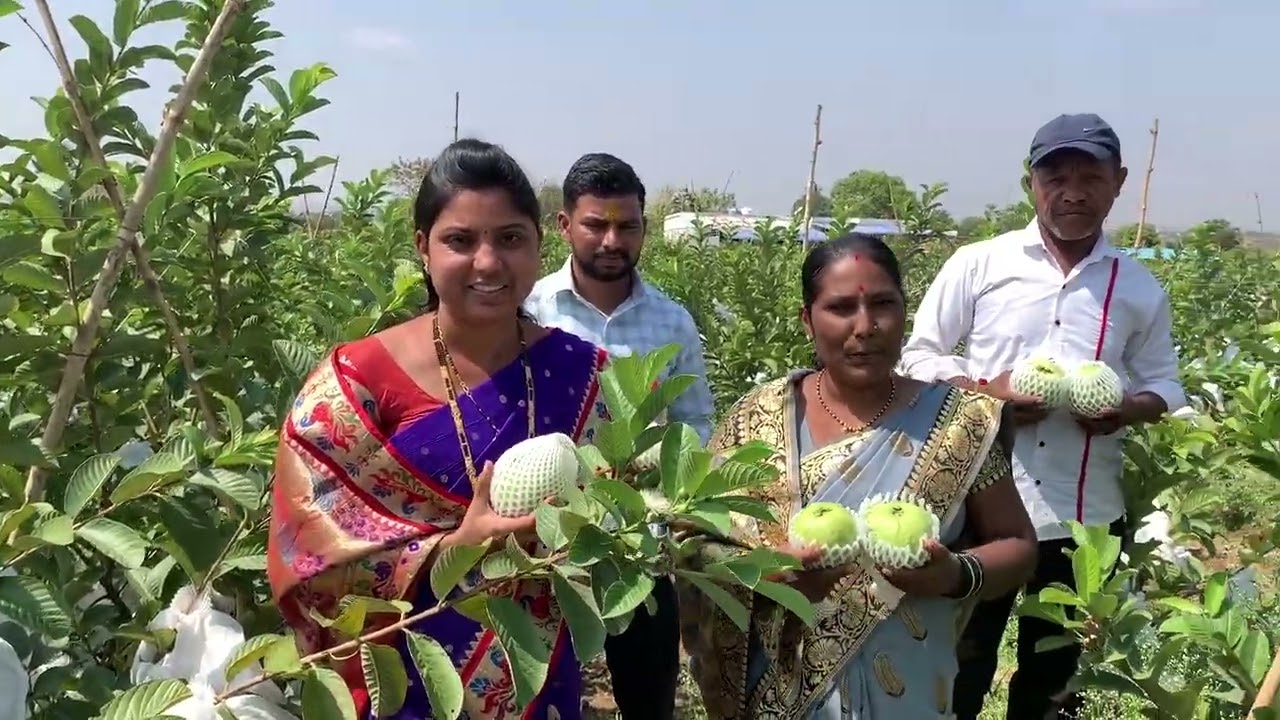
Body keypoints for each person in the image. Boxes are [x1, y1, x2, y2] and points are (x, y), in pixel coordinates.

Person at [266, 138, 610, 720]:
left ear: (538, 243)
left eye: (510, 239)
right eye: (460, 240)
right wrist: (453, 550)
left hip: (536, 669)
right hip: (404, 670)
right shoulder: (356, 382)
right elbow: (306, 552)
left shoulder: (582, 373)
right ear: (423, 247)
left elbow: (612, 504)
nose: (488, 262)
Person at [676, 233, 1039, 719]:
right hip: (774, 693)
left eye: (883, 304)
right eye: (841, 307)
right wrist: (764, 570)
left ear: (905, 311)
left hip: (909, 689)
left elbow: (1016, 544)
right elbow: (691, 542)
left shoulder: (960, 423)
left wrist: (954, 574)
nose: (865, 327)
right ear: (808, 319)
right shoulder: (754, 419)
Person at [898, 113, 1186, 720]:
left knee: (1056, 684)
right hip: (981, 504)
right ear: (1032, 182)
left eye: (1091, 176)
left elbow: (1165, 384)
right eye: (1056, 176)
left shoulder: (1137, 287)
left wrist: (1126, 409)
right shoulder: (979, 264)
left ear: (1119, 181)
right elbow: (919, 356)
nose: (1073, 191)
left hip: (1085, 518)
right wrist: (987, 393)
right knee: (960, 667)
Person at [523, 152, 713, 720]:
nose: (612, 239)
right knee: (538, 690)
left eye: (626, 226)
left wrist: (663, 484)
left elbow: (696, 422)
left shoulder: (672, 320)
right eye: (595, 225)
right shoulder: (529, 308)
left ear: (644, 229)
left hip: (642, 540)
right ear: (564, 226)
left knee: (648, 691)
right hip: (544, 537)